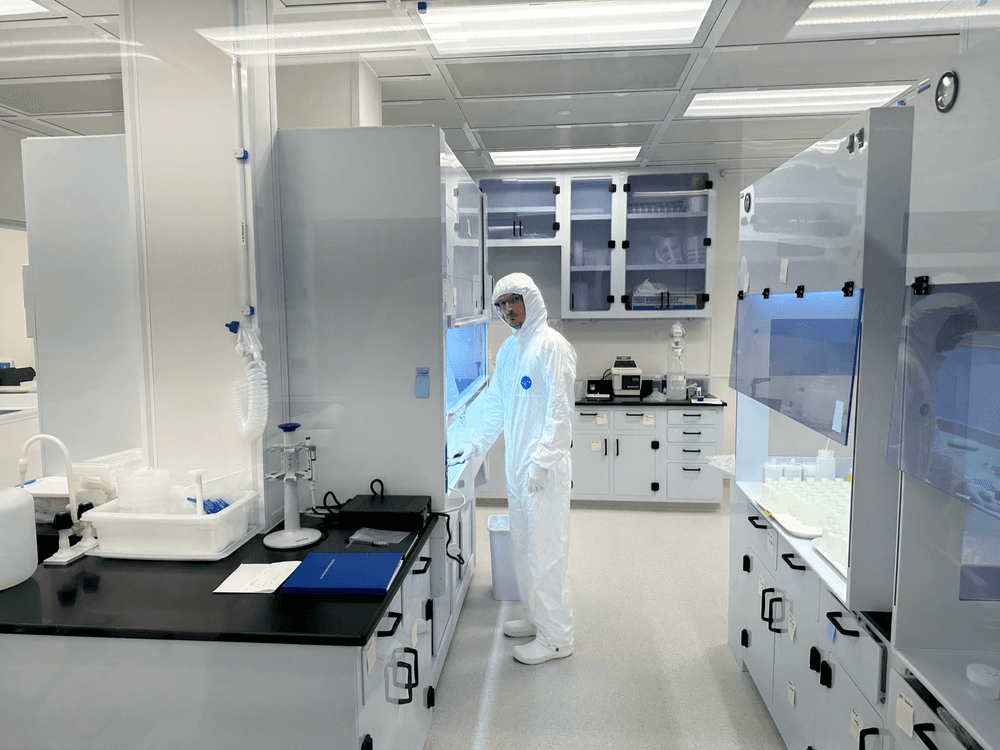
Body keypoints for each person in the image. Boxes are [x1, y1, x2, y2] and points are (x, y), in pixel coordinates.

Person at [450, 273, 577, 665]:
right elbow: (495, 406)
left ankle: (558, 637)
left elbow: (560, 413)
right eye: (501, 304)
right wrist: (471, 442)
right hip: (519, 469)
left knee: (547, 552)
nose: (508, 310)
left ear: (532, 300)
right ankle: (537, 619)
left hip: (544, 472)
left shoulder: (551, 346)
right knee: (523, 546)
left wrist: (541, 464)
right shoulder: (508, 351)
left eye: (513, 301)